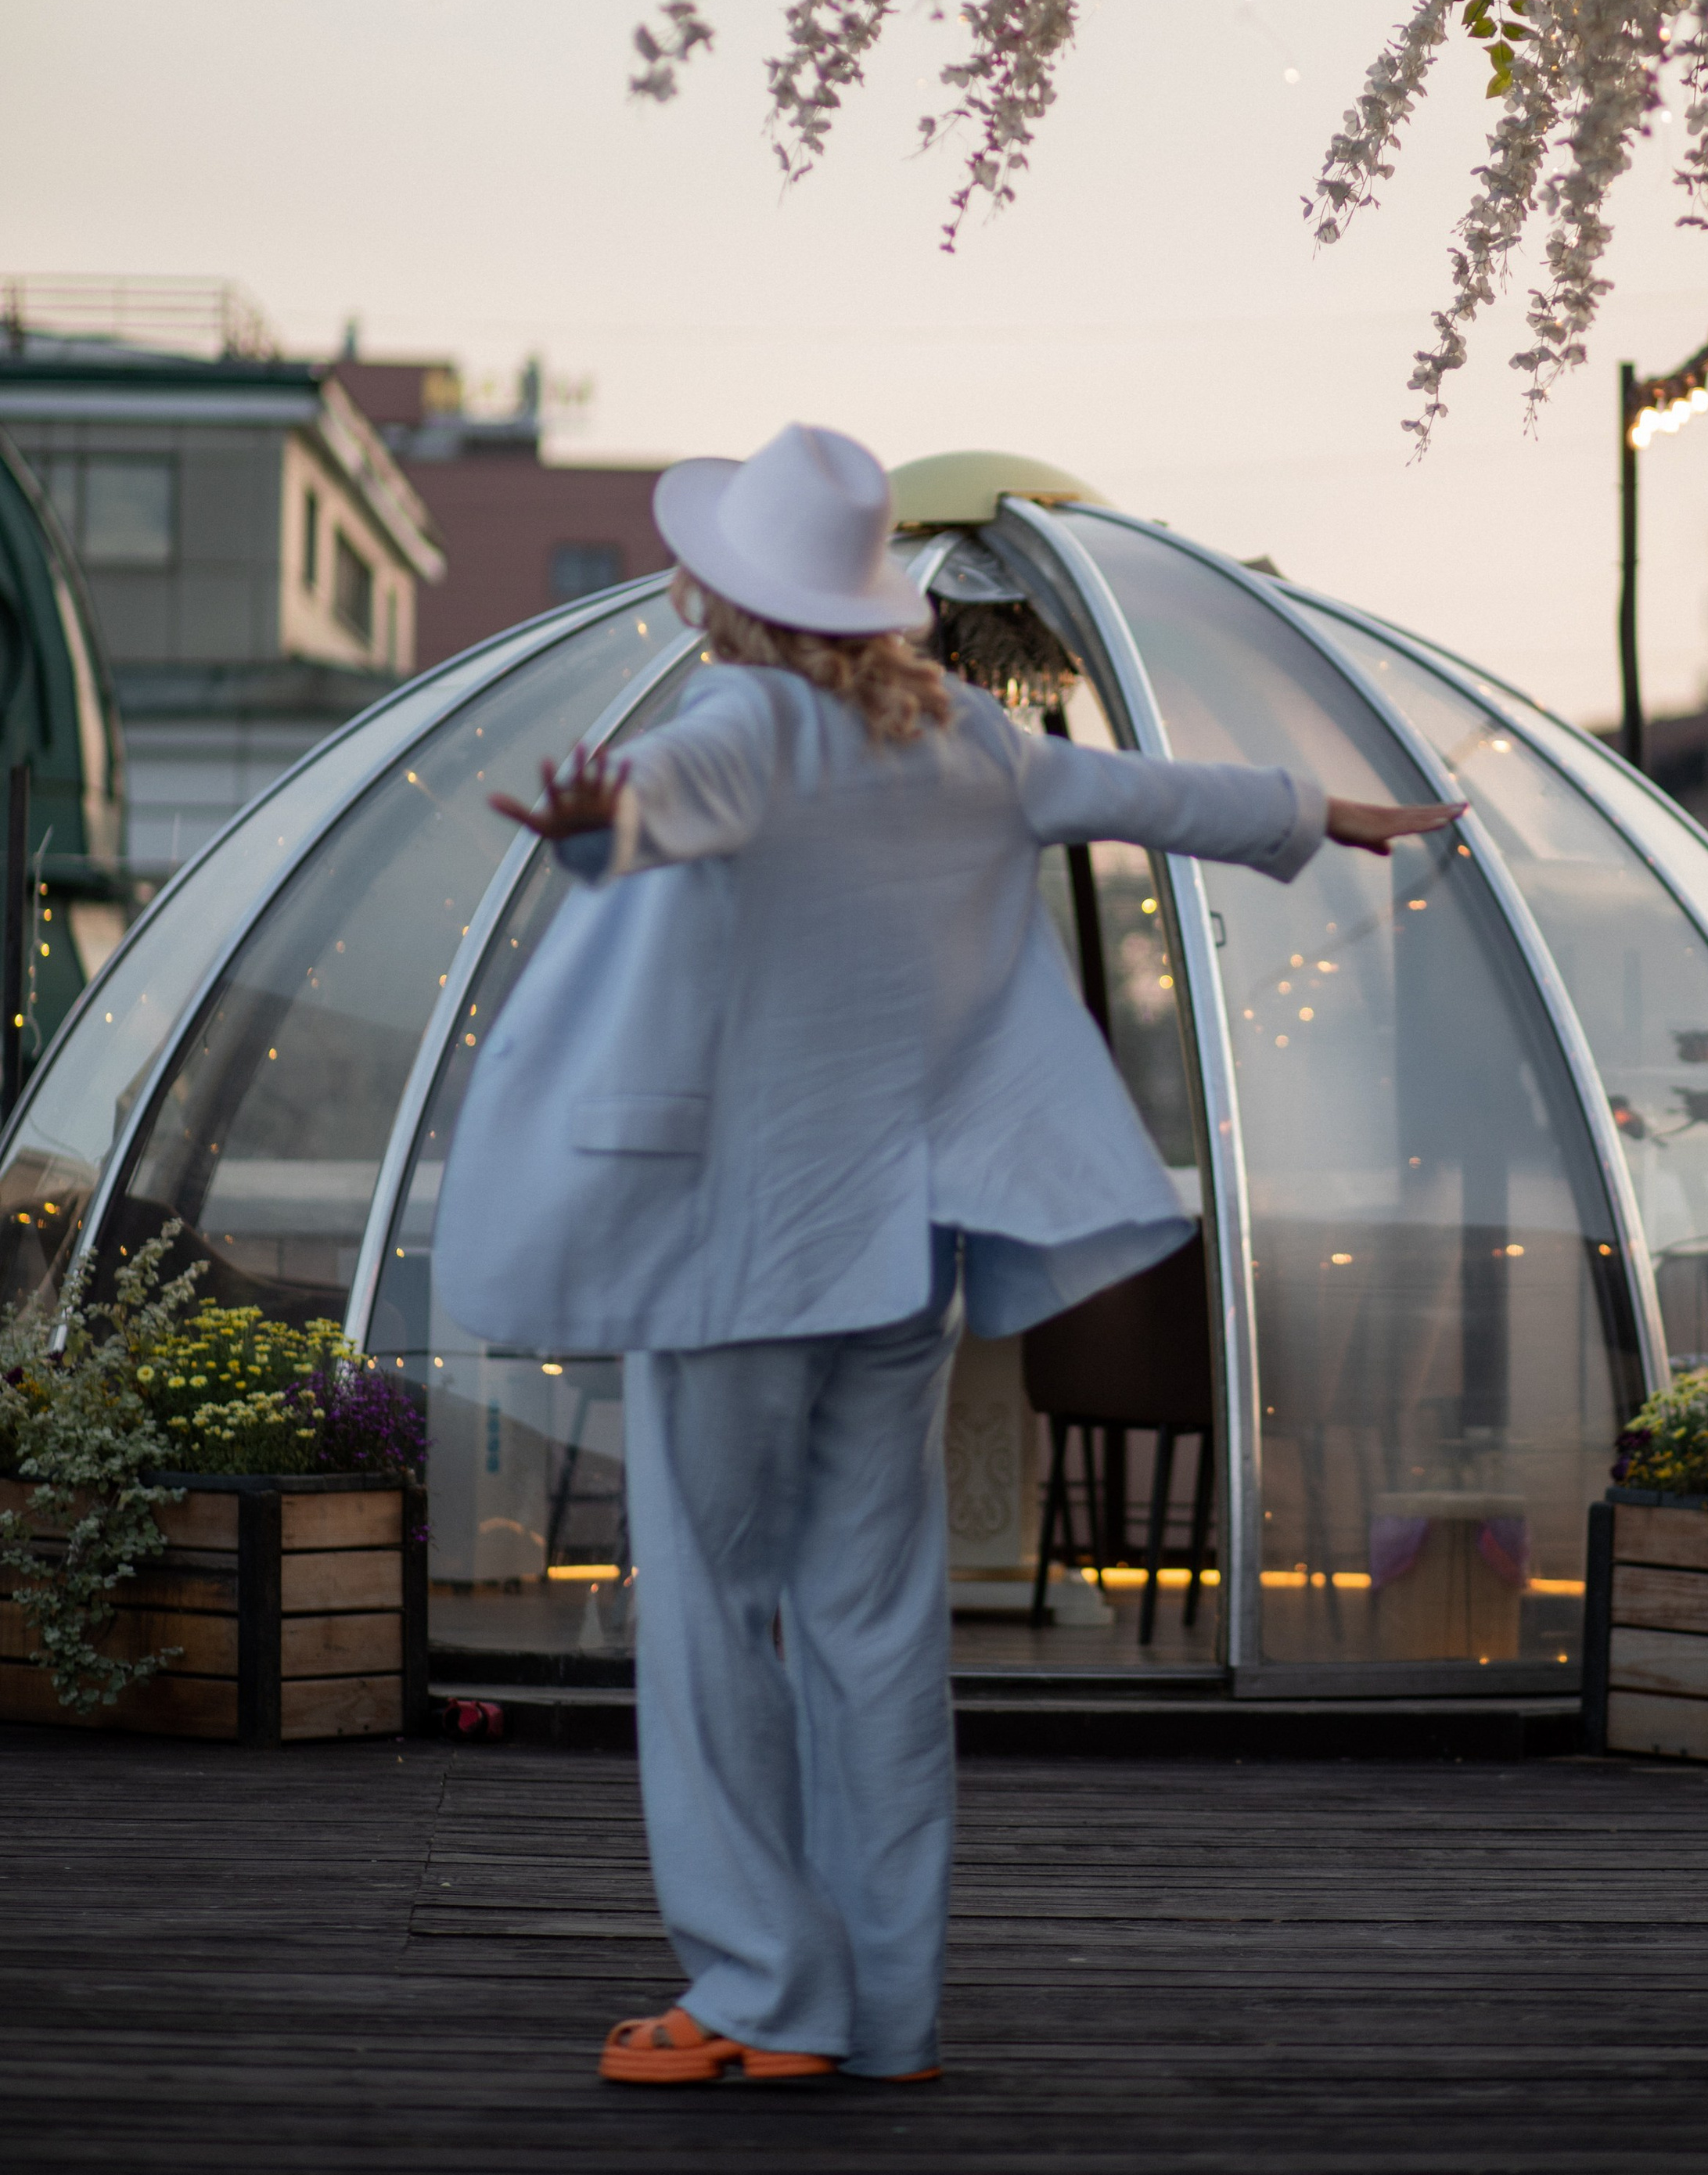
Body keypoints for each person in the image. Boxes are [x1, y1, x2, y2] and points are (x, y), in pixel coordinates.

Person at [465, 422, 1462, 2091]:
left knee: (715, 1619)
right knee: (872, 1623)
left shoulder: (742, 722)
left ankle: (761, 1998)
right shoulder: (966, 743)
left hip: (736, 1267)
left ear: (742, 596)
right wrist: (1325, 810)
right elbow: (1158, 795)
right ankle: (885, 2011)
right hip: (894, 1268)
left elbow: (673, 808)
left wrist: (594, 821)